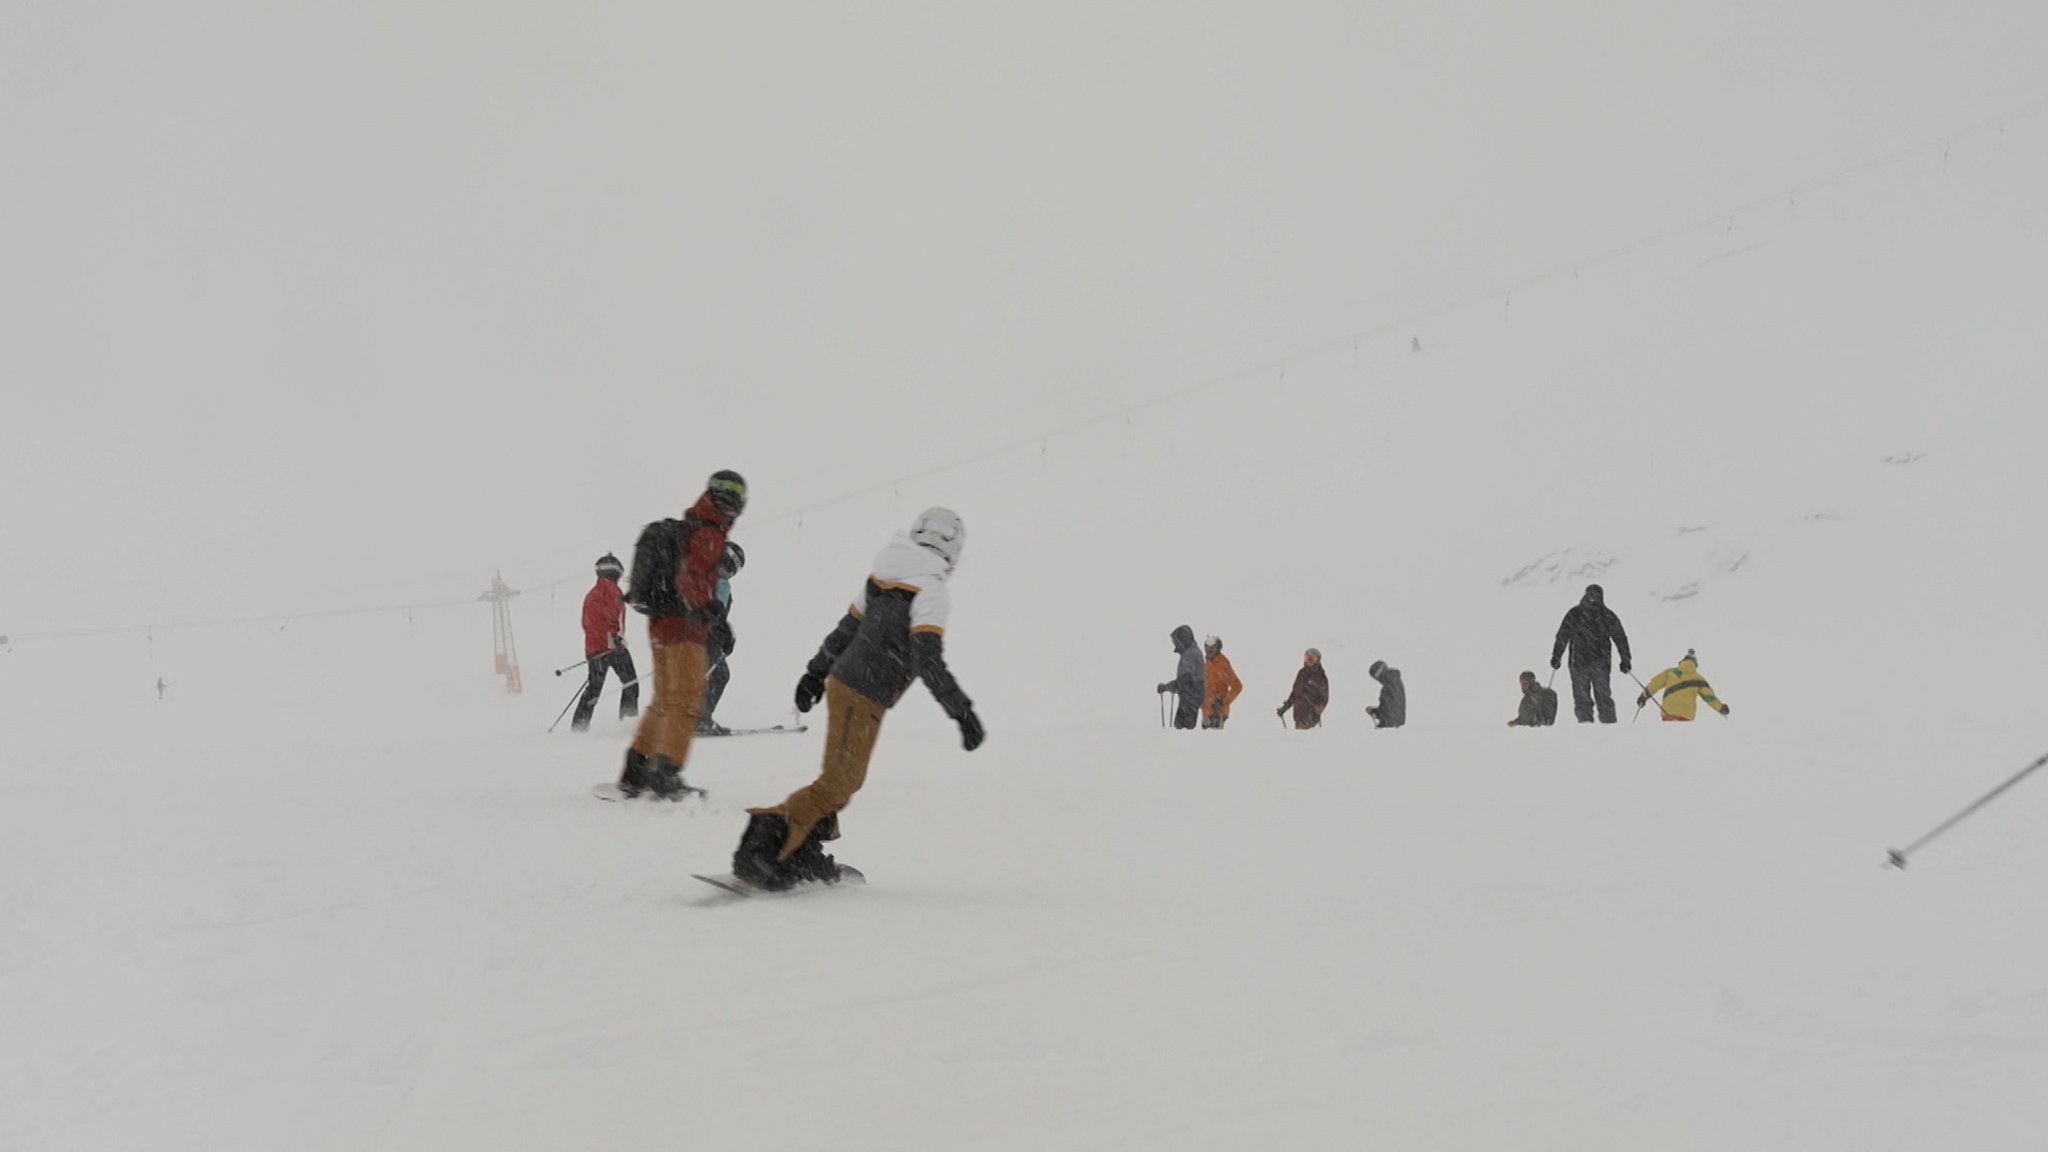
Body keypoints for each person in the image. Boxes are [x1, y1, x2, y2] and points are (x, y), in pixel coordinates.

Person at [731, 508, 982, 890]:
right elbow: (927, 659)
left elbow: (846, 628)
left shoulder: (884, 574)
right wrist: (961, 711)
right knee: (839, 783)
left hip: (844, 684)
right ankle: (765, 848)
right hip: (865, 692)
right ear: (953, 549)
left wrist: (815, 673)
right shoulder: (930, 588)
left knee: (841, 780)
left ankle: (802, 850)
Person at [616, 470, 746, 798]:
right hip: (684, 628)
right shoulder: (709, 532)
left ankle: (636, 768)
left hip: (660, 624)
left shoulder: (690, 526)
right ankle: (666, 770)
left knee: (664, 699)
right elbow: (691, 580)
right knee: (687, 700)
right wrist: (713, 616)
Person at [572, 553, 639, 732]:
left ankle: (579, 727)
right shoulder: (612, 591)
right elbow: (610, 618)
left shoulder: (592, 594)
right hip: (612, 648)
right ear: (615, 572)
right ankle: (627, 723)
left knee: (594, 688)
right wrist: (613, 640)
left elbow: (587, 623)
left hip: (594, 649)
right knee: (631, 683)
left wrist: (600, 644)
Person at [1550, 583, 1632, 724]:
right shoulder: (1605, 615)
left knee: (1590, 698)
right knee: (1595, 698)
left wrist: (1626, 659)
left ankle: (1595, 726)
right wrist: (1556, 656)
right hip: (1592, 663)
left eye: (1595, 596)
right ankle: (1599, 727)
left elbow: (1562, 636)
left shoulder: (1577, 614)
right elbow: (1620, 639)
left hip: (1585, 663)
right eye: (1591, 595)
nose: (1592, 598)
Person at [697, 542, 745, 736]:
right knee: (719, 675)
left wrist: (725, 634)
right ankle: (700, 719)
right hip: (704, 637)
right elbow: (714, 612)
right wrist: (723, 633)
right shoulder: (719, 580)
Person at [1636, 649, 1731, 721]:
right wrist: (1721, 708)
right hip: (1686, 717)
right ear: (1695, 664)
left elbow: (1654, 684)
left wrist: (1643, 697)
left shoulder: (1670, 672)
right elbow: (1709, 697)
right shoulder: (1698, 679)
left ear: (1682, 660)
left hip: (1668, 714)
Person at [1157, 625, 1204, 729]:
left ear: (1184, 639)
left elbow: (1185, 679)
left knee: (1182, 734)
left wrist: (1167, 687)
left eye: (1176, 641)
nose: (1175, 644)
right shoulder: (1192, 652)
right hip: (1191, 700)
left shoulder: (1190, 655)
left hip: (1189, 702)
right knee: (1182, 733)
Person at [1278, 648, 1329, 729]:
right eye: (1307, 658)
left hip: (1311, 717)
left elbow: (1324, 697)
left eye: (1311, 659)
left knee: (1308, 740)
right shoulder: (1302, 673)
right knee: (1300, 739)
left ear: (1317, 660)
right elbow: (1295, 693)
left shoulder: (1320, 676)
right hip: (1299, 715)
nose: (1308, 662)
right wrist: (1284, 708)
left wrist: (1319, 708)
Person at [1200, 636, 1243, 730]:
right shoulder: (1207, 664)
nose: (1209, 650)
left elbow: (1237, 686)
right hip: (1206, 712)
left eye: (1212, 647)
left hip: (1218, 713)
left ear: (1218, 648)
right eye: (1206, 647)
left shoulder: (1223, 665)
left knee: (1215, 742)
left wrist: (1224, 701)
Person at [1365, 660, 1406, 728]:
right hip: (1391, 726)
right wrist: (1374, 711)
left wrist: (1384, 724)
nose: (1378, 680)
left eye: (1376, 677)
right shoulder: (1393, 682)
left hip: (1390, 728)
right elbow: (1388, 708)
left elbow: (1392, 711)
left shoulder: (1391, 684)